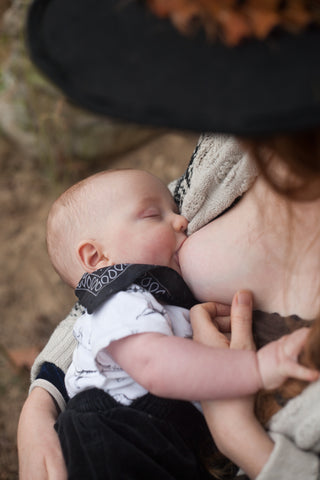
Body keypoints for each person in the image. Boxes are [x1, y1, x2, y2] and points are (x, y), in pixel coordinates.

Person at [18, 1, 320, 479]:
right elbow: (103, 294)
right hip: (118, 432)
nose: (179, 220)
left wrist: (240, 439)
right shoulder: (242, 136)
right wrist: (42, 400)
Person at [46, 167, 317, 478]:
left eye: (174, 210)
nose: (181, 220)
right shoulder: (119, 303)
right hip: (116, 433)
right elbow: (155, 366)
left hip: (161, 432)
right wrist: (254, 370)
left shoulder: (151, 299)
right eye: (152, 215)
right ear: (95, 258)